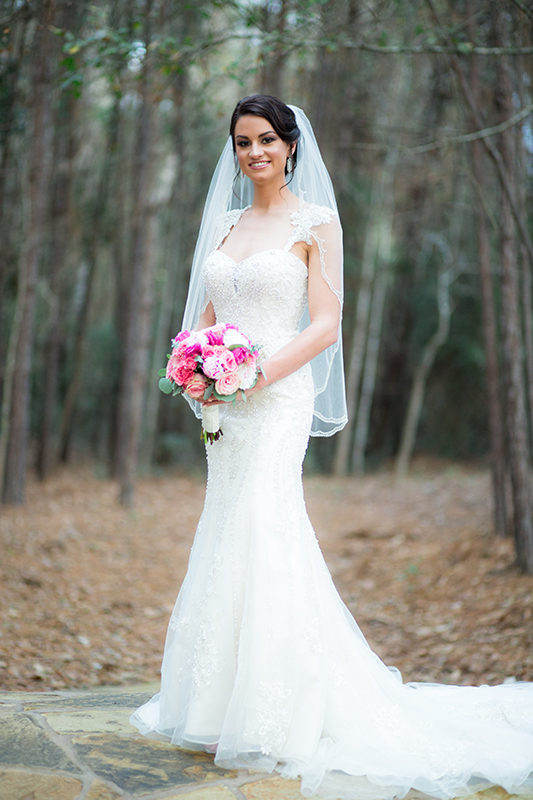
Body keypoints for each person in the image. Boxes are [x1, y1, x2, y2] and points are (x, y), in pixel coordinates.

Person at [131, 95, 533, 800]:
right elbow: (204, 315)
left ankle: (277, 711)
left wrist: (255, 372)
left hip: (275, 396)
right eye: (241, 142)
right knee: (225, 528)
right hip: (224, 404)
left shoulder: (315, 222)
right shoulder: (224, 224)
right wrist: (191, 367)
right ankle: (218, 703)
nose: (252, 152)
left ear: (290, 146)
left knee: (265, 523)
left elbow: (324, 325)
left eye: (264, 140)